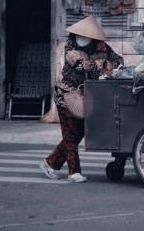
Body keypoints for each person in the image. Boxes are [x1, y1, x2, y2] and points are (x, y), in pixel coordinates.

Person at [40, 16, 124, 182]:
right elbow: (80, 65)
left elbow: (118, 60)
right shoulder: (70, 47)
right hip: (66, 95)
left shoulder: (100, 46)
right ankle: (74, 172)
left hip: (85, 95)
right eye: (81, 36)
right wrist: (103, 64)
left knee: (78, 133)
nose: (83, 39)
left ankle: (50, 162)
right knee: (70, 134)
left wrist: (105, 62)